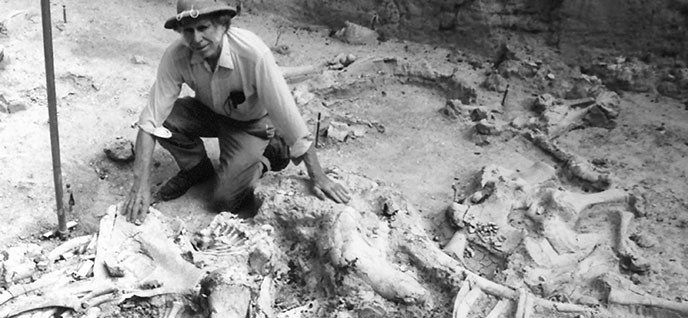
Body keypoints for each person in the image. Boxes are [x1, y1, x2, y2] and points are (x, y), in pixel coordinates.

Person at [122, 0, 350, 224]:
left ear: (223, 25)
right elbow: (150, 121)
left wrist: (318, 176)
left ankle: (269, 155)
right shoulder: (176, 55)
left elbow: (287, 115)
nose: (196, 39)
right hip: (208, 111)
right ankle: (196, 170)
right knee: (168, 120)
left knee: (224, 202)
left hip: (250, 123)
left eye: (203, 28)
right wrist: (140, 185)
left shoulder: (253, 53)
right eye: (189, 31)